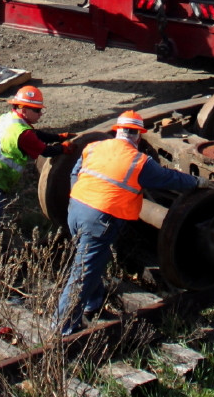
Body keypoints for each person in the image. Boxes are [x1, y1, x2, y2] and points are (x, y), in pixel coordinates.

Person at [57, 110, 200, 335]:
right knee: (83, 273)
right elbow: (168, 179)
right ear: (138, 136)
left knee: (90, 260)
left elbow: (75, 172)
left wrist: (80, 197)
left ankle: (93, 303)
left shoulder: (94, 147)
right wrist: (197, 182)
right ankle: (63, 329)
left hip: (75, 211)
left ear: (117, 131)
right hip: (99, 220)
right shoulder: (139, 161)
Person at [0, 85, 69, 290]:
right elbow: (44, 150)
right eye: (36, 110)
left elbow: (36, 134)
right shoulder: (23, 134)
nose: (40, 114)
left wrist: (58, 137)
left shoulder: (8, 119)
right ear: (23, 108)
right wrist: (63, 148)